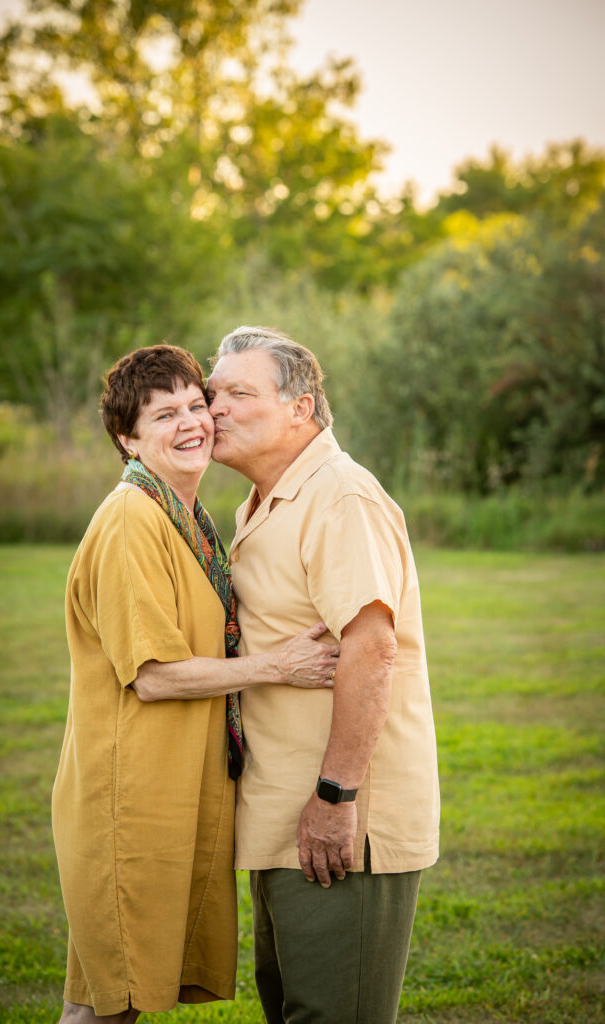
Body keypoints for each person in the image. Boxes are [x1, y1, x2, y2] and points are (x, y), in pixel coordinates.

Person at [51, 344, 339, 1024]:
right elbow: (151, 676)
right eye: (163, 415)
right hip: (131, 795)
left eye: (195, 406)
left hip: (173, 789)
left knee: (113, 996)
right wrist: (278, 666)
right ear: (127, 437)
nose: (191, 424)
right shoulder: (131, 520)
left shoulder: (190, 518)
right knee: (106, 1006)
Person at [207, 326, 440, 1024]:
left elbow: (372, 649)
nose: (213, 408)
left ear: (300, 409)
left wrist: (336, 798)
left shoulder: (339, 497)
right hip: (281, 814)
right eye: (213, 392)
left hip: (338, 822)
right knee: (294, 1010)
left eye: (238, 393)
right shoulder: (262, 503)